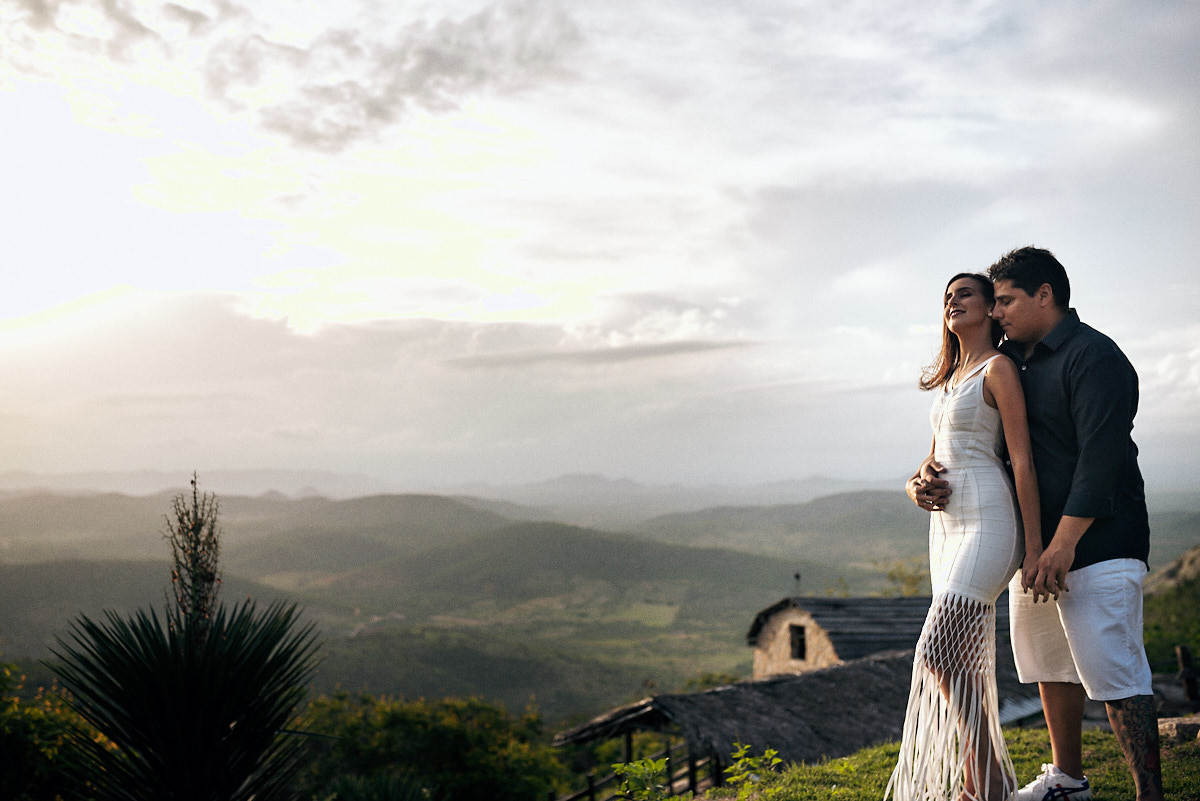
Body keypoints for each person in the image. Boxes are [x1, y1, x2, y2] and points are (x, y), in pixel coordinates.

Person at [910, 247, 1162, 801]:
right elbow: (984, 450)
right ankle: (1068, 781)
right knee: (1050, 663)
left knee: (1113, 671)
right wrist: (923, 478)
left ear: (1044, 294)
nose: (997, 312)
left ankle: (1150, 794)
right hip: (1036, 542)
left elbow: (1102, 459)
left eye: (1005, 301)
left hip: (1098, 540)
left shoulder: (1094, 357)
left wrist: (1063, 544)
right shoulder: (1019, 361)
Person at [887, 272, 1042, 801]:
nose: (952, 302)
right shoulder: (953, 376)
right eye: (946, 297)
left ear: (988, 308)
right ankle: (988, 785)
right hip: (946, 526)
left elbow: (1021, 459)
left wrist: (1036, 545)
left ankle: (987, 780)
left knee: (936, 650)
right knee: (962, 660)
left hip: (990, 520)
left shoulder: (998, 369)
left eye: (964, 294)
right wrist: (915, 486)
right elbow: (932, 458)